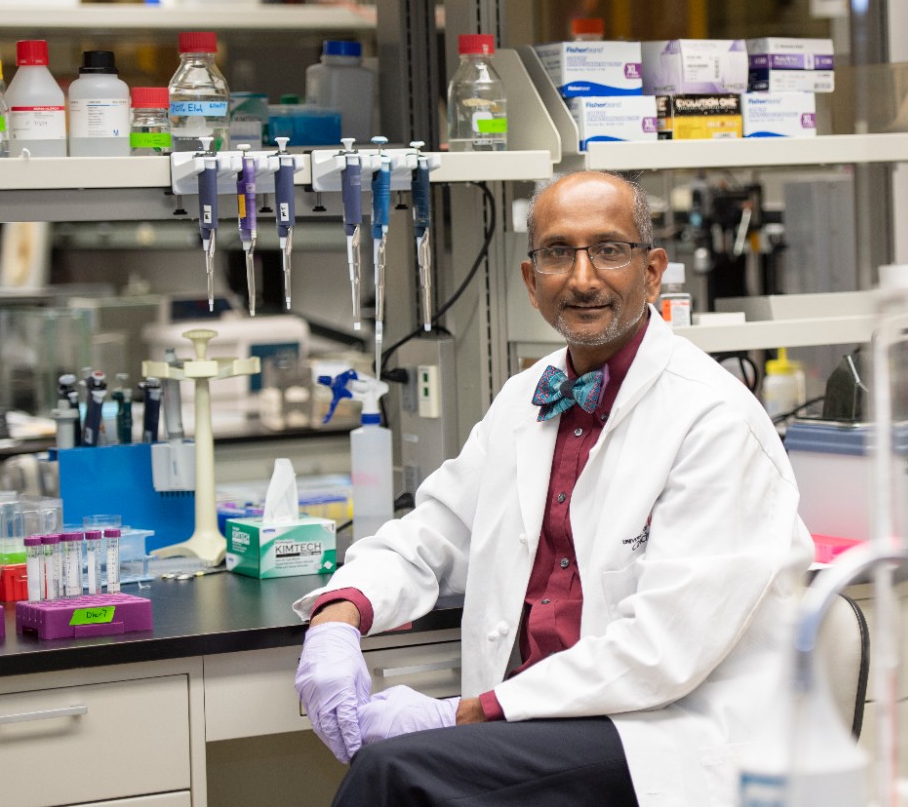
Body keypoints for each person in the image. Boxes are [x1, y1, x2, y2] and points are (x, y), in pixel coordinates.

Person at [293, 170, 813, 806]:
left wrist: (462, 713)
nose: (584, 277)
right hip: (546, 716)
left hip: (660, 731)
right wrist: (338, 617)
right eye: (559, 252)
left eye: (610, 250)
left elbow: (661, 653)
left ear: (652, 272)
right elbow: (433, 535)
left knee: (393, 774)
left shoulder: (714, 420)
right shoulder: (527, 397)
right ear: (531, 282)